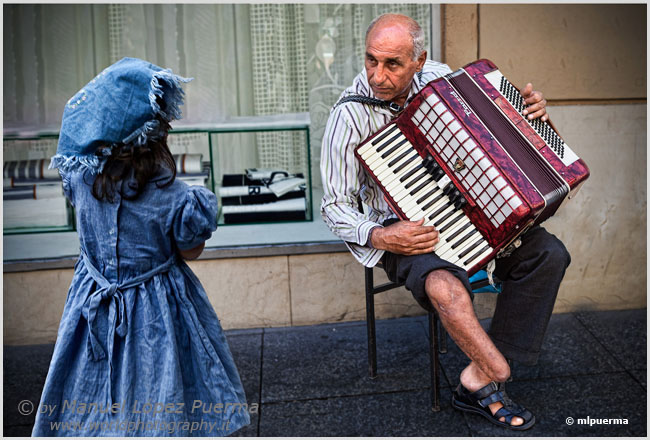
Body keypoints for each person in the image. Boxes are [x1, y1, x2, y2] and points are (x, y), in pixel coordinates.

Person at [320, 14, 570, 431]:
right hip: (405, 229)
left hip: (473, 212)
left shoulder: (441, 79)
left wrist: (533, 118)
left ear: (419, 61)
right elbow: (334, 206)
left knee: (549, 255)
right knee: (444, 287)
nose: (377, 76)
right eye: (371, 61)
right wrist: (382, 234)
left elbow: (501, 137)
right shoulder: (348, 116)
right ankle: (494, 378)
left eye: (392, 64)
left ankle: (480, 373)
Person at [32, 57, 250, 436]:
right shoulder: (175, 196)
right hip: (157, 311)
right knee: (161, 391)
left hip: (92, 302)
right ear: (156, 132)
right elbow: (190, 250)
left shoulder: (80, 179)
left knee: (90, 395)